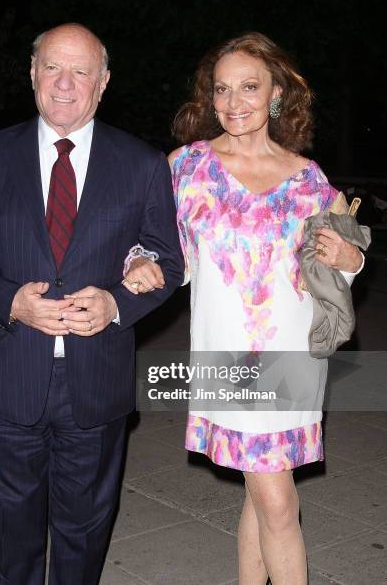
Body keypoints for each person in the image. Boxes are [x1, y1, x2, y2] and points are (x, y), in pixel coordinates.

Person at [0, 23, 184, 585]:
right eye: (53, 67)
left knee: (85, 530)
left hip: (96, 383)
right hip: (12, 373)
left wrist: (117, 304)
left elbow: (168, 262)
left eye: (81, 71)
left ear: (103, 83)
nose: (65, 83)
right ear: (32, 74)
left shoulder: (142, 164)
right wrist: (11, 301)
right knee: (11, 526)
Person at [122, 32, 363, 584]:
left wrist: (350, 255)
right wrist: (139, 262)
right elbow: (157, 248)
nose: (234, 102)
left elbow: (341, 264)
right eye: (222, 89)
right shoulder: (186, 169)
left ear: (277, 92)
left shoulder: (310, 179)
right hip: (228, 359)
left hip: (294, 359)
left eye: (249, 87)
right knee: (277, 499)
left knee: (263, 497)